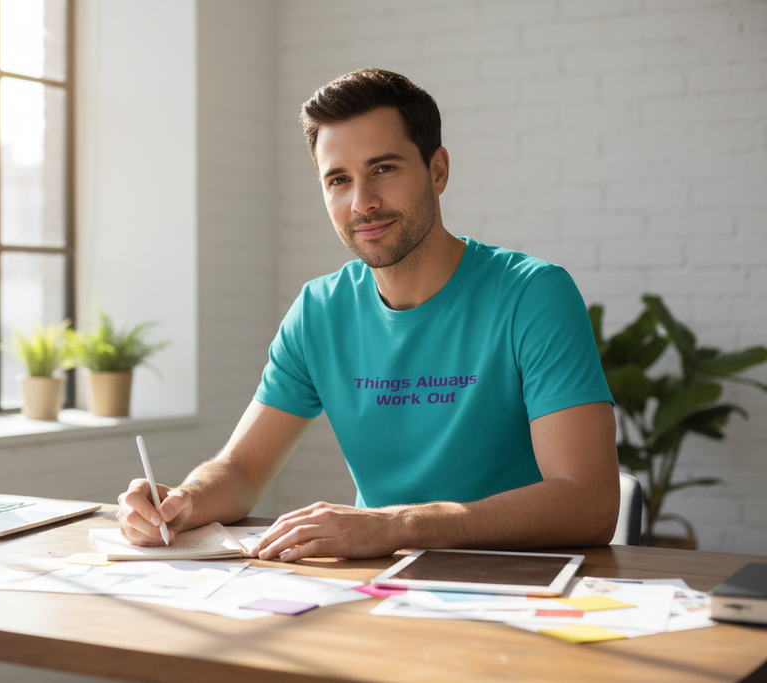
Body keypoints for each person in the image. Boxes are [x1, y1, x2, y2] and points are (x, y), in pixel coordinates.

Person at [118, 67, 619, 562]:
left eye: (384, 169)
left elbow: (589, 503)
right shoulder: (319, 311)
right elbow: (243, 470)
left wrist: (396, 525)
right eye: (338, 179)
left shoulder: (533, 295)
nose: (363, 203)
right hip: (378, 587)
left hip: (519, 585)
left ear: (438, 170)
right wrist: (185, 500)